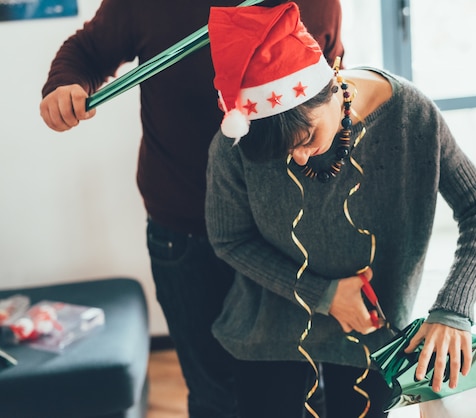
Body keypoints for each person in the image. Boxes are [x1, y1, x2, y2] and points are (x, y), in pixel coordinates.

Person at [38, 1, 344, 417]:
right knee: (214, 395)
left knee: (301, 389)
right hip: (185, 231)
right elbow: (87, 53)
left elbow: (332, 84)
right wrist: (65, 85)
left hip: (284, 233)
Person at [204, 2, 476, 417]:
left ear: (329, 87)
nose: (298, 159)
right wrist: (325, 296)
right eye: (285, 151)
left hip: (376, 337)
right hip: (269, 334)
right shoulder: (235, 144)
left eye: (305, 137)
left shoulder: (410, 115)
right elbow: (229, 239)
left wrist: (453, 308)